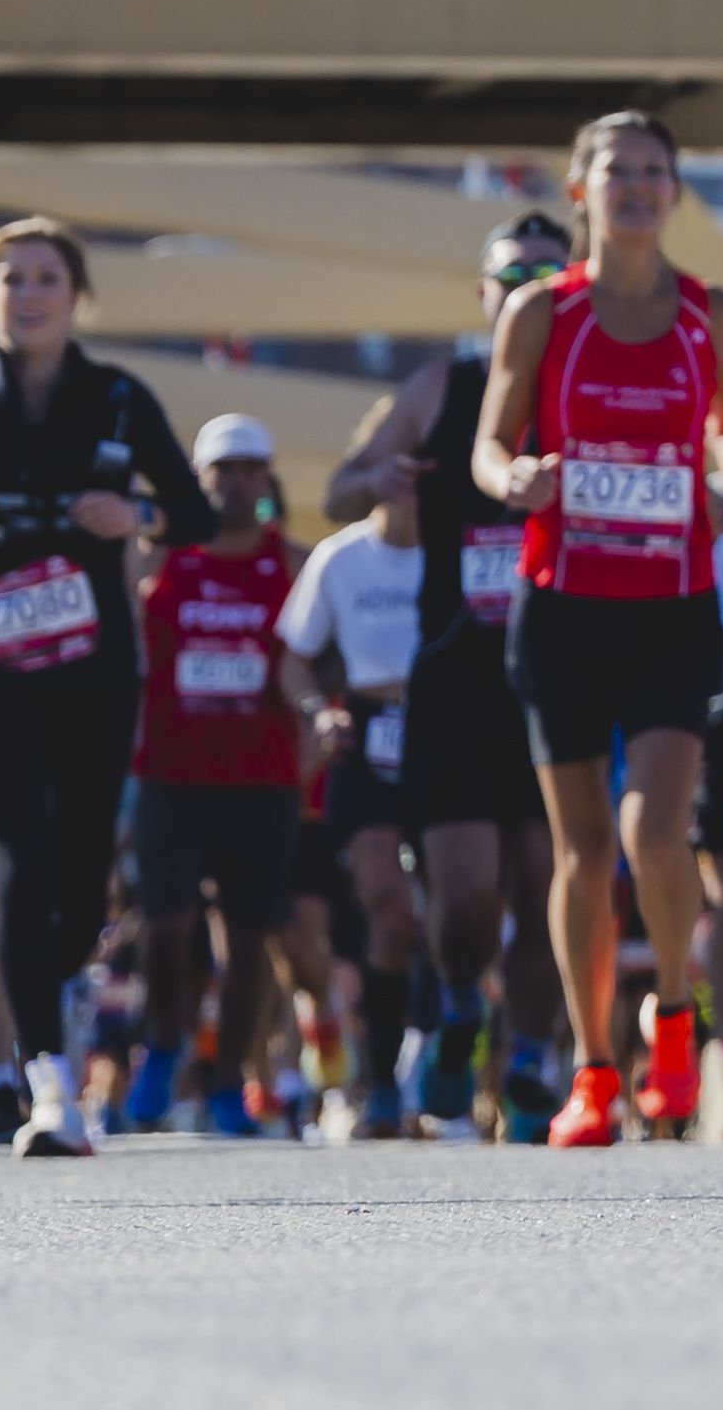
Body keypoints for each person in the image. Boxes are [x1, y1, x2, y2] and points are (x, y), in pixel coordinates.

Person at [474, 109, 723, 1148]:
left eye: (655, 172)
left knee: (655, 829)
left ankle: (675, 1017)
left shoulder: (710, 312)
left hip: (672, 606)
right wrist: (517, 475)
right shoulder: (540, 314)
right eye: (618, 172)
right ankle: (595, 1069)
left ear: (675, 192)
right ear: (579, 190)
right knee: (583, 849)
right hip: (561, 606)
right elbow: (490, 441)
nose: (637, 188)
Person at [0, 212, 209, 1159]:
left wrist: (137, 512)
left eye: (45, 279)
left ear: (74, 298)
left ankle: (60, 995)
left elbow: (194, 514)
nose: (26, 295)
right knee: (20, 863)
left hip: (92, 660)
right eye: (9, 278)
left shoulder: (119, 399)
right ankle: (47, 1088)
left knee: (77, 881)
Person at [334, 206, 567, 1134]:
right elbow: (340, 485)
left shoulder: (594, 380)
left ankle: (534, 1057)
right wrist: (380, 481)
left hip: (562, 665)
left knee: (556, 879)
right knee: (468, 891)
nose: (528, 295)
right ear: (484, 295)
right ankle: (460, 1006)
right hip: (459, 675)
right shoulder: (445, 384)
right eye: (512, 280)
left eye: (547, 278)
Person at [127, 412, 308, 1138]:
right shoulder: (158, 558)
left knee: (250, 939)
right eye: (220, 471)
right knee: (165, 926)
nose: (235, 483)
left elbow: (322, 658)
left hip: (262, 779)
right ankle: (163, 1041)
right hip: (171, 774)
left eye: (248, 469)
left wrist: (317, 736)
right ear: (198, 481)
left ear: (266, 479)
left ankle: (230, 1076)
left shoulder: (293, 562)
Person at [283, 441, 436, 1140]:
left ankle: (442, 1050)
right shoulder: (339, 557)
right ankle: (380, 1081)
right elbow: (295, 658)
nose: (407, 486)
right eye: (394, 472)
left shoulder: (459, 552)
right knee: (386, 905)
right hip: (367, 735)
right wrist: (321, 709)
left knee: (460, 913)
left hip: (446, 735)